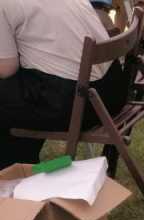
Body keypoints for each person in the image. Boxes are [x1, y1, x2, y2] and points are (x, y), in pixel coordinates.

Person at [0, 0, 128, 169]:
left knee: (10, 94)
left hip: (76, 105)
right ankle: (21, 167)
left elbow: (6, 69)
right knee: (20, 90)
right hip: (111, 93)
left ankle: (14, 171)